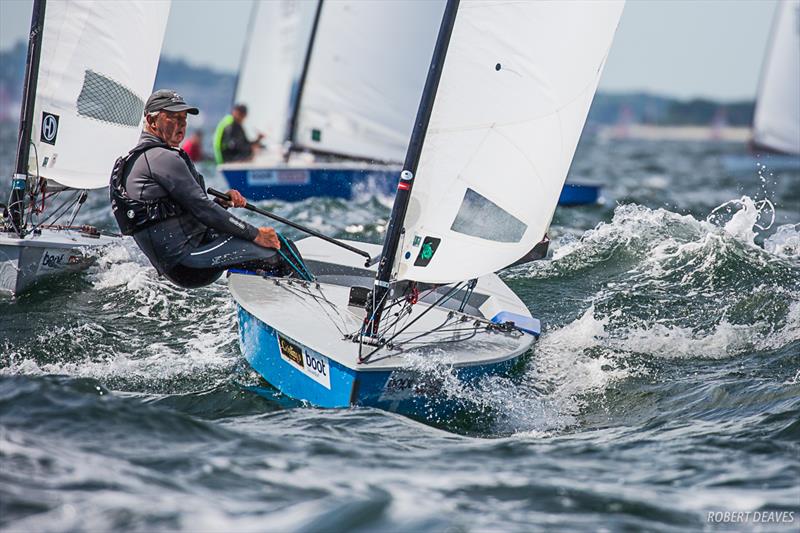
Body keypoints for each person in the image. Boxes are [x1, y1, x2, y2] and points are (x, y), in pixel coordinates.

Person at [110, 89, 300, 288]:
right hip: (188, 262)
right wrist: (255, 234)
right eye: (173, 118)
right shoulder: (161, 158)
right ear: (151, 120)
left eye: (183, 118)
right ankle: (302, 304)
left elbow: (187, 211)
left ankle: (269, 296)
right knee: (279, 253)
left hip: (185, 257)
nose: (181, 124)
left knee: (276, 245)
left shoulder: (144, 158)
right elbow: (203, 209)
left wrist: (220, 203)